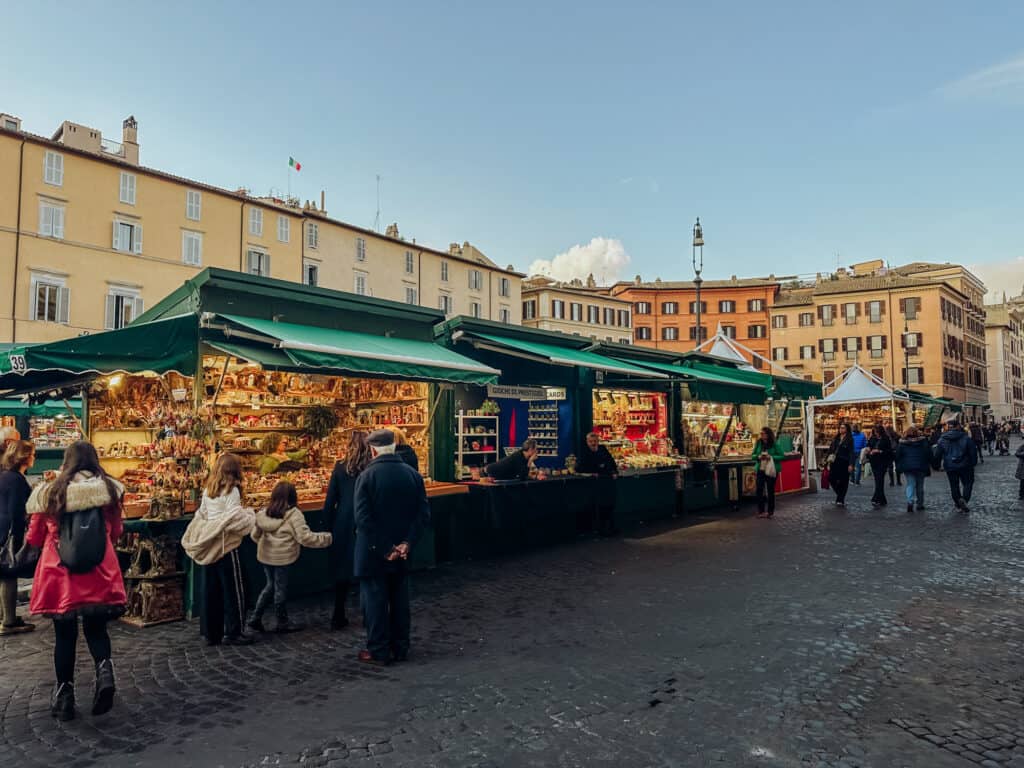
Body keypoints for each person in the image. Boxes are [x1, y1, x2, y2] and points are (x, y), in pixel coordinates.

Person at [24, 441, 126, 721]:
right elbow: (117, 531)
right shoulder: (109, 490)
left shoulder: (50, 492)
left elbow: (33, 537)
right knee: (96, 629)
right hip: (98, 571)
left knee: (64, 637)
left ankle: (65, 696)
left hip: (60, 575)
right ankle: (104, 672)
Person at [354, 429, 430, 665]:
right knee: (400, 601)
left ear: (373, 450)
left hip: (374, 553)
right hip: (403, 552)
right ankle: (401, 646)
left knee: (375, 602)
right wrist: (407, 543)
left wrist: (386, 548)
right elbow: (422, 514)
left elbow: (363, 519)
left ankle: (379, 649)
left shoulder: (366, 477)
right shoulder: (412, 475)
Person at [182, 453, 256, 646]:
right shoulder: (232, 492)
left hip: (209, 545)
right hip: (227, 546)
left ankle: (210, 632)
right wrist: (250, 516)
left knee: (210, 589)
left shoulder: (208, 491)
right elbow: (233, 518)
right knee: (233, 590)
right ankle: (234, 631)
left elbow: (203, 514)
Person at [248, 481, 331, 634]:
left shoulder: (263, 513)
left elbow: (254, 536)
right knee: (279, 588)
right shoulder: (294, 514)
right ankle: (282, 622)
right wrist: (327, 538)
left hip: (266, 556)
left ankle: (255, 617)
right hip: (283, 557)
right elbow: (305, 538)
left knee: (270, 585)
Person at [323, 430, 372, 630]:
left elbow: (329, 502)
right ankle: (368, 615)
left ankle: (338, 614)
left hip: (343, 522)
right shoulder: (371, 469)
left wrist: (326, 528)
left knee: (342, 570)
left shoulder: (340, 468)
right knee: (367, 570)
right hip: (366, 521)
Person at [0, 440, 36, 635]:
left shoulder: (5, 476)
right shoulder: (16, 479)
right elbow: (16, 510)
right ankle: (9, 621)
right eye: (32, 454)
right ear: (24, 457)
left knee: (4, 574)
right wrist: (19, 533)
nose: (34, 458)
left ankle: (5, 616)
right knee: (9, 573)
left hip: (3, 529)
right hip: (9, 532)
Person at [576, 432, 619, 535]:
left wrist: (614, 472)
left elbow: (611, 462)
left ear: (598, 441)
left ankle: (610, 527)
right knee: (598, 506)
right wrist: (592, 472)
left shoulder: (603, 449)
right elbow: (580, 468)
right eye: (591, 442)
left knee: (609, 505)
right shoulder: (584, 452)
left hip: (607, 480)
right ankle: (599, 529)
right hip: (595, 484)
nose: (593, 443)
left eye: (595, 441)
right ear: (587, 442)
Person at [935, 420, 978, 513]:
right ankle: (964, 499)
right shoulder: (966, 438)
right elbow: (973, 452)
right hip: (965, 465)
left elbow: (938, 454)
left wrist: (936, 465)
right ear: (958, 426)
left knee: (954, 486)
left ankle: (958, 504)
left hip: (950, 465)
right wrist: (973, 463)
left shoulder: (942, 439)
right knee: (968, 483)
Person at [752, 427, 785, 519]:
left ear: (768, 434)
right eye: (761, 433)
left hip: (771, 470)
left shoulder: (775, 444)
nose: (761, 435)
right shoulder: (759, 443)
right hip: (761, 469)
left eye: (763, 433)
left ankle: (770, 511)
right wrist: (758, 457)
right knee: (759, 489)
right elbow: (752, 455)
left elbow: (782, 456)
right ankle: (761, 511)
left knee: (770, 491)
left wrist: (771, 457)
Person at [895, 426, 931, 513]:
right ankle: (920, 504)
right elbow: (928, 453)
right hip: (921, 466)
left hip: (908, 467)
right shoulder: (923, 442)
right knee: (920, 486)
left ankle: (910, 501)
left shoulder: (902, 443)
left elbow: (898, 456)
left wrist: (899, 464)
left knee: (910, 484)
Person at [827, 423, 855, 507]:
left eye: (843, 428)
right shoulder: (836, 438)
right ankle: (840, 494)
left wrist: (851, 464)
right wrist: (826, 460)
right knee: (831, 478)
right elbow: (831, 449)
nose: (841, 429)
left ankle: (840, 499)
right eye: (840, 428)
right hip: (835, 461)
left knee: (844, 481)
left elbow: (851, 452)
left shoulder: (849, 439)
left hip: (844, 462)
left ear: (847, 429)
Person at [867, 425, 893, 507]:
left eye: (877, 432)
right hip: (874, 461)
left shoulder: (886, 439)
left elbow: (889, 451)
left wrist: (879, 451)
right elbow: (868, 445)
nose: (876, 434)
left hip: (882, 462)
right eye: (875, 432)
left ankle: (875, 498)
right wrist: (868, 450)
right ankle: (882, 500)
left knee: (879, 479)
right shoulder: (872, 438)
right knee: (878, 481)